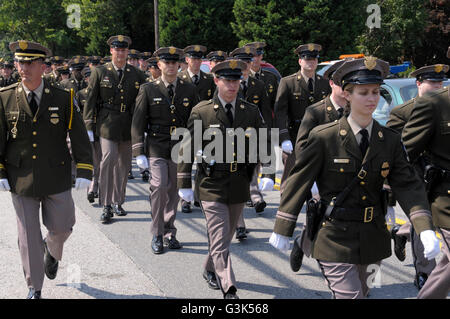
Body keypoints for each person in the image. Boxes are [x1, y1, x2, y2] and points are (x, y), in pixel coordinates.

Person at [270, 57, 440, 299]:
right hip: (334, 236)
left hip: (373, 237)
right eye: (363, 92)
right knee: (351, 296)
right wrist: (283, 226)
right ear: (347, 94)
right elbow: (299, 180)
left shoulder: (389, 140)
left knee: (366, 291)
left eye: (375, 92)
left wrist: (424, 228)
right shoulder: (324, 137)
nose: (372, 98)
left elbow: (408, 185)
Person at [0, 40, 93, 299]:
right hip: (21, 177)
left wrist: (85, 169)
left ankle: (51, 250)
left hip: (56, 174)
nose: (23, 68)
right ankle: (35, 287)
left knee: (63, 227)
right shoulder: (5, 97)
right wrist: (0, 172)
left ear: (43, 66)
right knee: (28, 236)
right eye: (20, 62)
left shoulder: (64, 97)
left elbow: (78, 136)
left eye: (30, 63)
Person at [177, 59, 274, 299]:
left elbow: (263, 142)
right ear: (216, 81)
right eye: (227, 81)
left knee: (226, 235)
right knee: (219, 236)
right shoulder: (202, 111)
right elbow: (186, 148)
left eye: (236, 80)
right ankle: (229, 287)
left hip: (239, 182)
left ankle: (210, 267)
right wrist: (183, 184)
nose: (233, 86)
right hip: (211, 183)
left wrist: (269, 172)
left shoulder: (249, 111)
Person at [386, 63, 448, 290]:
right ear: (419, 84)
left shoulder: (445, 106)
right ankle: (425, 272)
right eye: (431, 82)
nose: (436, 86)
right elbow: (395, 152)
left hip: (440, 179)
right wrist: (390, 195)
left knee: (428, 223)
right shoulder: (403, 112)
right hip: (417, 178)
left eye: (439, 82)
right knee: (421, 221)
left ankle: (400, 233)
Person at [132, 46, 199, 254]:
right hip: (157, 145)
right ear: (159, 65)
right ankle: (157, 233)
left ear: (179, 64)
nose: (170, 66)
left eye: (174, 62)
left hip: (179, 146)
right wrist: (138, 152)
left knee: (173, 191)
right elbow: (138, 121)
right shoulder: (148, 89)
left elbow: (196, 119)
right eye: (166, 62)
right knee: (159, 187)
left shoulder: (188, 89)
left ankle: (170, 231)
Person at [289, 58, 349, 272]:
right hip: (322, 178)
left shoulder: (356, 111)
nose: (347, 88)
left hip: (350, 178)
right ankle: (302, 243)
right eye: (342, 83)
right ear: (332, 84)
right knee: (322, 219)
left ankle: (356, 278)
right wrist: (310, 180)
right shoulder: (316, 112)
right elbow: (302, 147)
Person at [402, 48, 450, 299]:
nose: (437, 84)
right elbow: (403, 155)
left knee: (446, 266)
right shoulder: (435, 104)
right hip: (443, 197)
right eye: (432, 80)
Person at [84, 35, 147, 223]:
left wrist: (144, 125)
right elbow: (91, 100)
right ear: (111, 51)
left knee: (123, 165)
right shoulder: (100, 72)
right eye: (117, 49)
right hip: (106, 123)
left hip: (128, 124)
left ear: (127, 52)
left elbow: (144, 100)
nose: (120, 53)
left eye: (123, 50)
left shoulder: (136, 74)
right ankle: (106, 204)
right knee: (108, 159)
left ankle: (118, 201)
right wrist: (88, 125)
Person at [274, 43, 331, 194]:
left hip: (318, 133)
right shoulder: (288, 82)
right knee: (290, 170)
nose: (311, 63)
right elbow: (280, 112)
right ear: (300, 61)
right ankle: (286, 199)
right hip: (294, 134)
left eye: (314, 59)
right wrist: (284, 137)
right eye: (307, 60)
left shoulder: (324, 83)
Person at [229, 46, 273, 239]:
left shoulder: (258, 85)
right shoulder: (228, 85)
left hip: (254, 138)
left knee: (252, 171)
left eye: (248, 62)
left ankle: (254, 196)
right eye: (242, 63)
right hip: (233, 139)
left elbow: (266, 115)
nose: (246, 66)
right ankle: (239, 224)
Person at [178, 45, 216, 213]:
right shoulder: (179, 78)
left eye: (199, 59)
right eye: (193, 59)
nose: (196, 62)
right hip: (185, 127)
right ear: (187, 60)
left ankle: (199, 195)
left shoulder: (208, 79)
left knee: (203, 163)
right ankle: (184, 199)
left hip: (205, 126)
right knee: (185, 163)